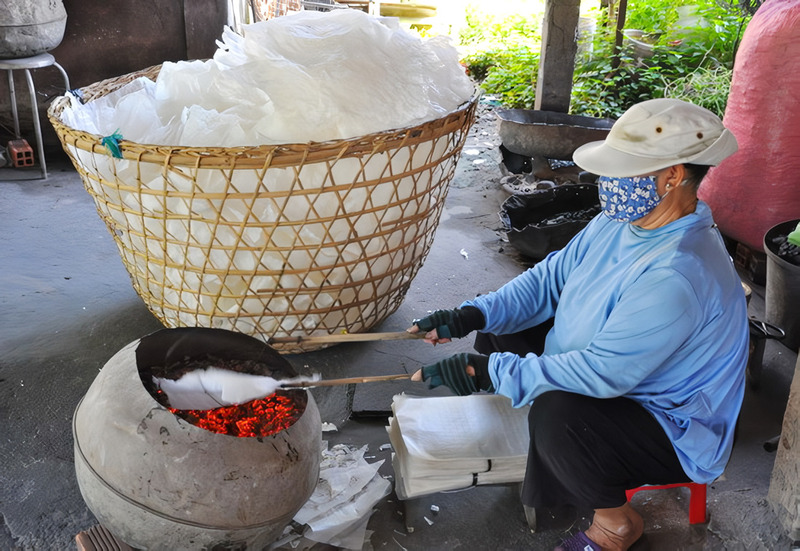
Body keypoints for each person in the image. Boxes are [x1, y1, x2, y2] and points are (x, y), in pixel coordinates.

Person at [407, 98, 748, 551]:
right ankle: (540, 449)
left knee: (558, 414)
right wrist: (471, 314)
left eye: (623, 171)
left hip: (671, 424)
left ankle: (614, 526)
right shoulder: (622, 221)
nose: (608, 183)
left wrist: (489, 371)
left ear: (672, 177)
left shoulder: (678, 273)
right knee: (498, 330)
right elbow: (548, 280)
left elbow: (602, 375)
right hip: (618, 372)